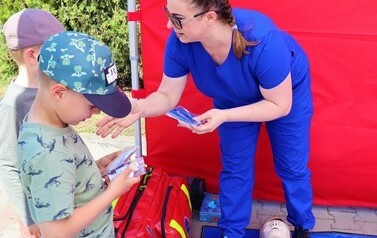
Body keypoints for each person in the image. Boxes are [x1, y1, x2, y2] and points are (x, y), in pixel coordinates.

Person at [96, 0, 315, 237]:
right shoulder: (181, 42)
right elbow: (168, 95)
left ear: (209, 17)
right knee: (235, 168)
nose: (169, 25)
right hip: (231, 96)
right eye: (168, 14)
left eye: (178, 18)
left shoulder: (263, 38)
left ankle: (302, 224)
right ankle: (232, 232)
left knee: (291, 165)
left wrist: (225, 115)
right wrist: (140, 107)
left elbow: (279, 105)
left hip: (283, 95)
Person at [17, 30, 139, 237]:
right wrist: (112, 193)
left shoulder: (51, 125)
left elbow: (65, 178)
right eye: (92, 105)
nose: (97, 111)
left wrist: (93, 169)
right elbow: (56, 232)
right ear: (59, 93)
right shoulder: (47, 153)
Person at [0, 9, 65, 237]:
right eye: (55, 51)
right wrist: (28, 218)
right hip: (35, 213)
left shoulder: (53, 89)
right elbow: (8, 165)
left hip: (59, 198)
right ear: (33, 56)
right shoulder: (12, 104)